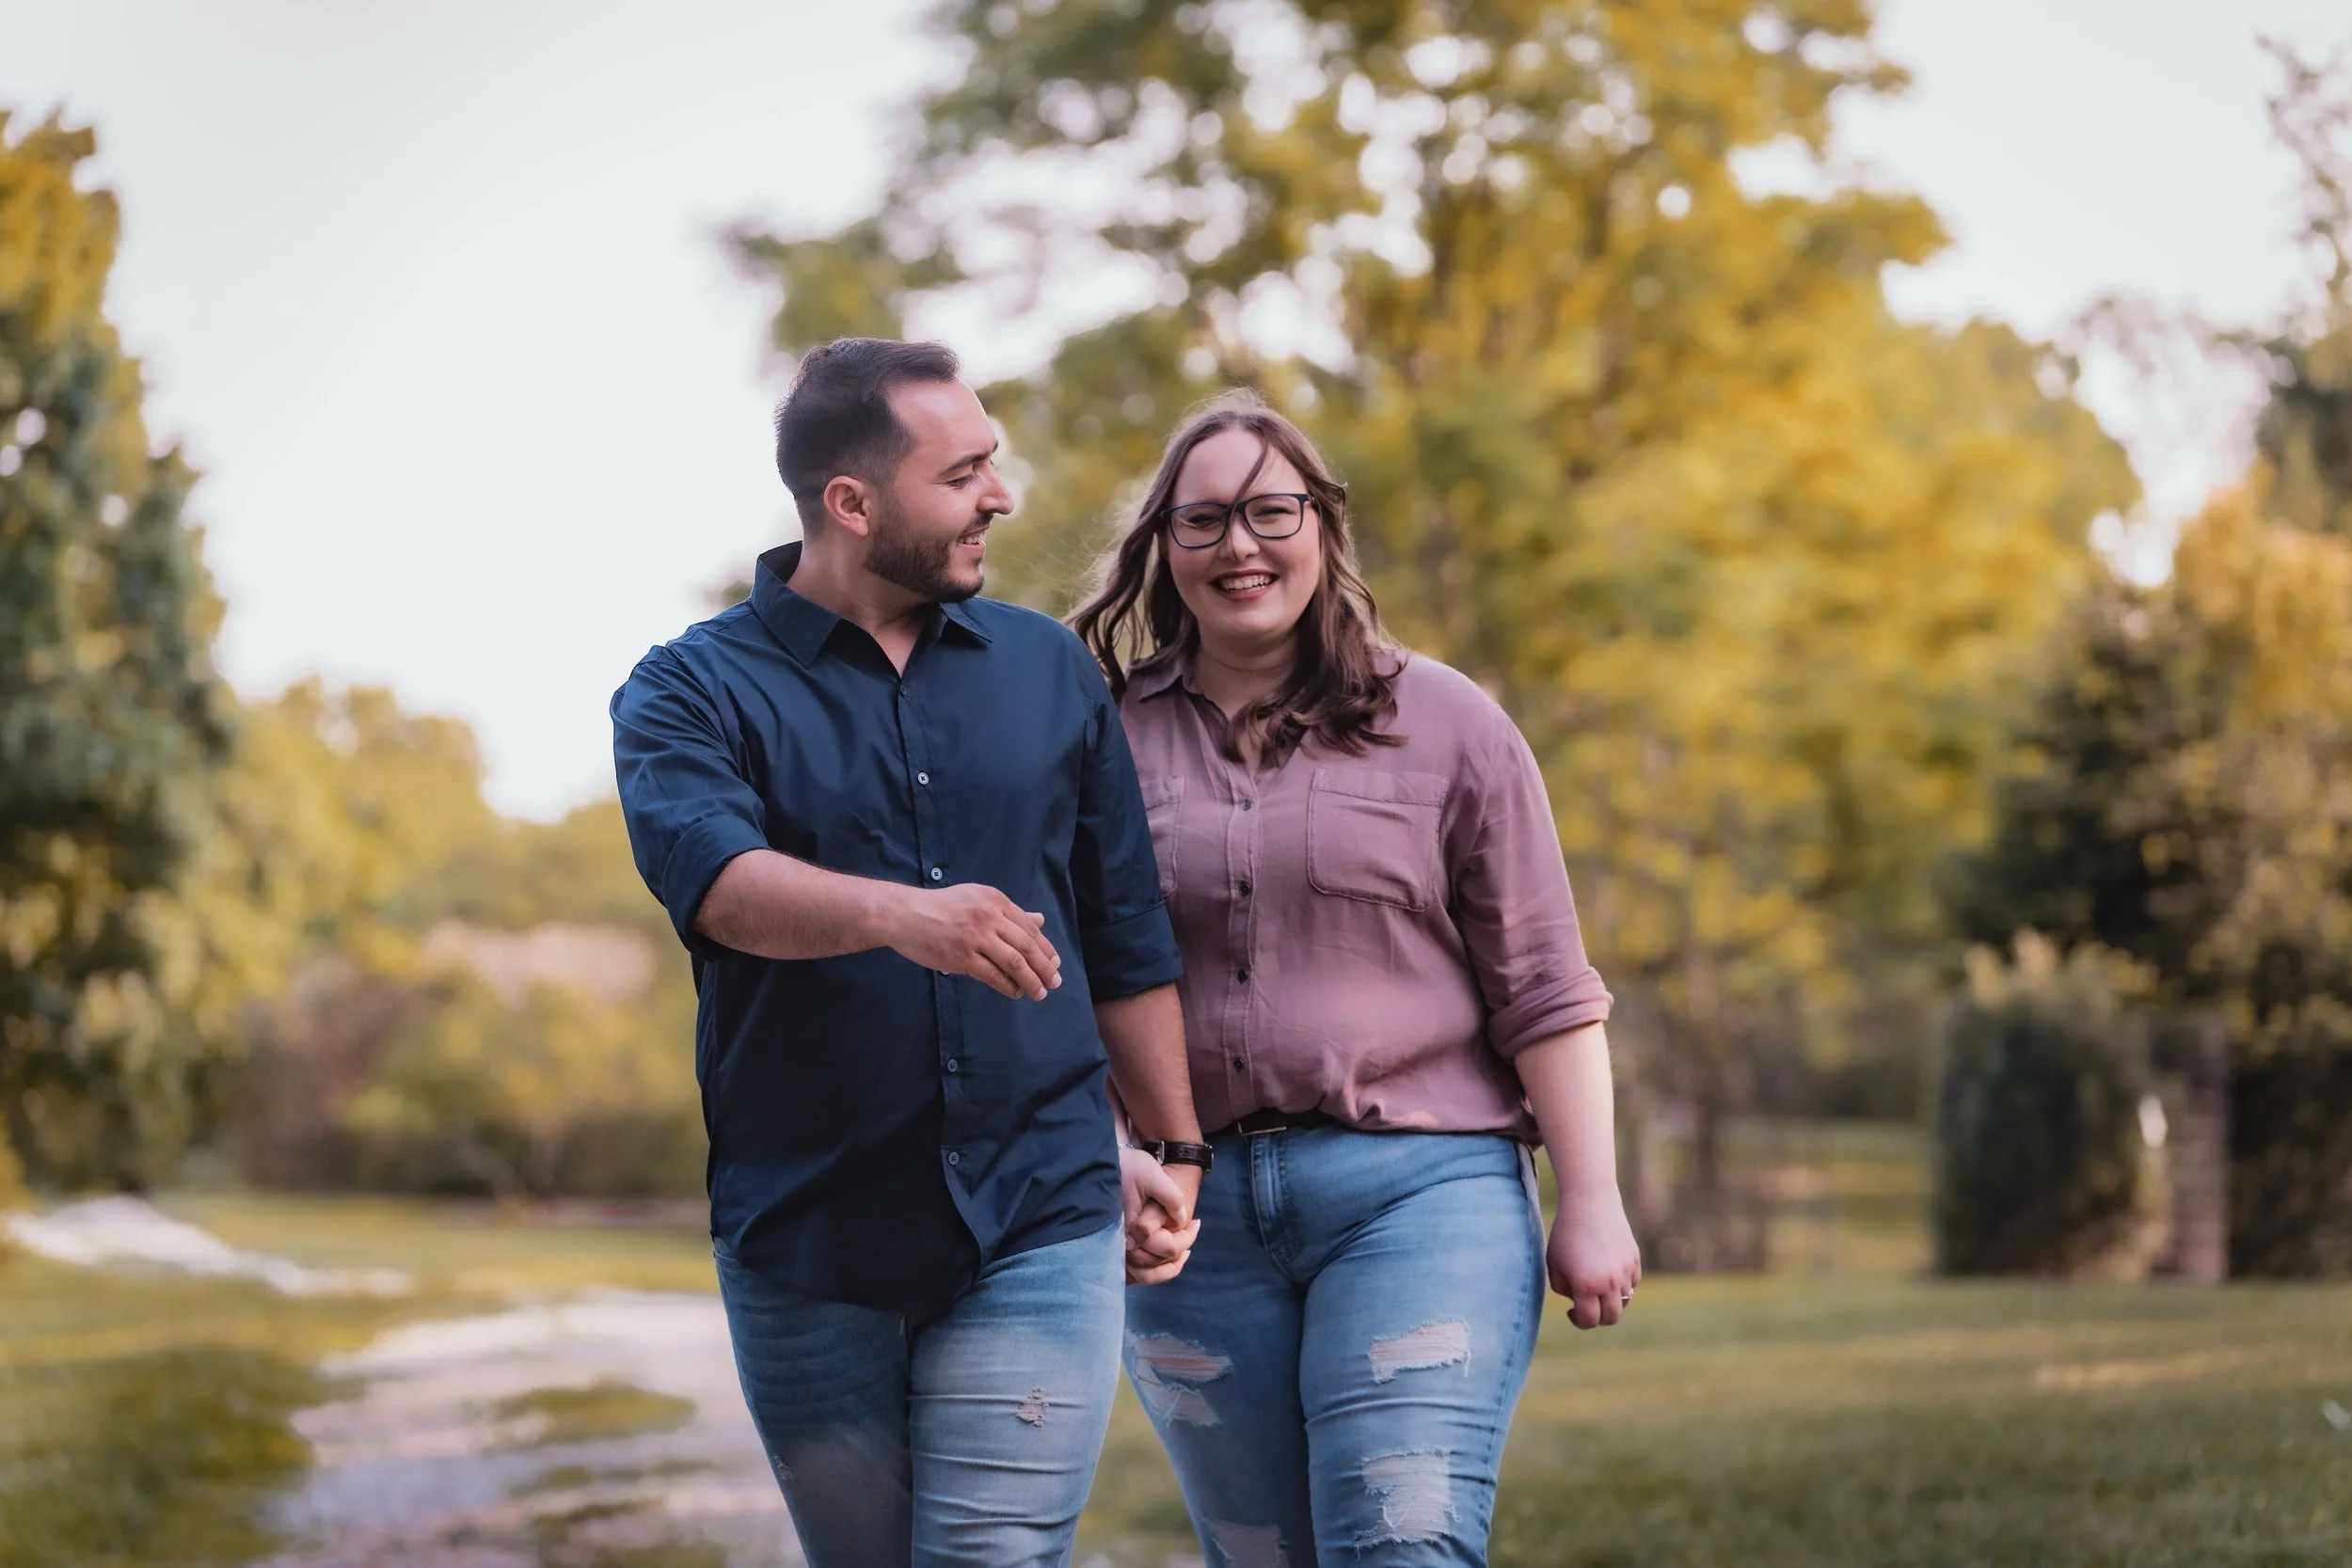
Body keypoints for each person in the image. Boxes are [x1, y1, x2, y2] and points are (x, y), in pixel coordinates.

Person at [611, 337, 1206, 1568]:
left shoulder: (1049, 669)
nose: (1002, 495)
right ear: (852, 501)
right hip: (808, 1229)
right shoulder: (688, 690)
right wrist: (904, 913)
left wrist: (1171, 1145)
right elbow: (718, 884)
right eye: (964, 473)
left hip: (1040, 1209)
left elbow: (1122, 928)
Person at [1077, 392, 1643, 1566]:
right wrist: (1107, 1147)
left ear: (1322, 525)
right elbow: (1061, 985)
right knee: (1262, 1554)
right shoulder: (1098, 738)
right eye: (1202, 520)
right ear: (1164, 547)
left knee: (1402, 1537)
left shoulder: (1447, 722)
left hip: (1419, 1194)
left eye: (1270, 511)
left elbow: (1543, 983)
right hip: (1188, 1223)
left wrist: (1591, 1197)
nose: (1238, 544)